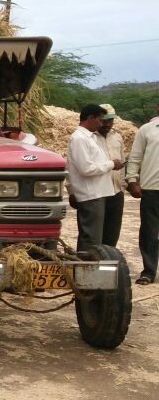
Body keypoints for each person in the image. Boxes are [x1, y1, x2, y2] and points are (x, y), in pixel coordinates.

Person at [67, 104, 122, 251]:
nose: (101, 123)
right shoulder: (79, 138)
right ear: (91, 118)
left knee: (96, 238)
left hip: (97, 193)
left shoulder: (88, 137)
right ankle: (85, 270)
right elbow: (86, 169)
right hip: (90, 194)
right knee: (91, 239)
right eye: (99, 119)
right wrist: (111, 164)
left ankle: (93, 268)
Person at [125, 109, 159, 284]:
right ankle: (149, 271)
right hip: (151, 189)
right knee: (149, 231)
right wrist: (132, 180)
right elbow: (135, 158)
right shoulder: (147, 129)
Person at [98, 104, 126, 246]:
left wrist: (124, 185)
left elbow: (122, 162)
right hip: (97, 192)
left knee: (113, 231)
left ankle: (109, 259)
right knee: (94, 232)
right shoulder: (89, 137)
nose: (107, 124)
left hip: (116, 191)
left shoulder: (117, 137)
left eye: (111, 120)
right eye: (104, 120)